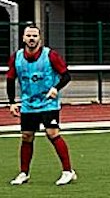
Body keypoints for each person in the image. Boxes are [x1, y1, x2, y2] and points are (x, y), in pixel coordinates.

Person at [7, 25, 77, 186]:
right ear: (23, 38)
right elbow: (10, 80)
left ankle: (68, 171)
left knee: (52, 133)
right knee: (26, 136)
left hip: (48, 104)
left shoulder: (50, 55)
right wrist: (11, 103)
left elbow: (66, 76)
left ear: (40, 38)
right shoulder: (16, 57)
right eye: (29, 36)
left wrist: (55, 88)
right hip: (28, 105)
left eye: (35, 36)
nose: (32, 39)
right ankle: (24, 173)